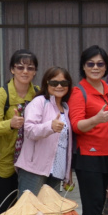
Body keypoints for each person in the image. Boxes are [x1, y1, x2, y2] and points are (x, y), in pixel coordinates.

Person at [68, 45, 108, 215]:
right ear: (83, 66)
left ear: (106, 67)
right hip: (89, 157)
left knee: (105, 206)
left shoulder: (107, 89)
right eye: (91, 63)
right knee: (93, 206)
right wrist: (96, 120)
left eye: (100, 63)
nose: (95, 67)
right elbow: (76, 125)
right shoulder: (78, 92)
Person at [0, 49, 40, 215]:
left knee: (28, 211)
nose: (25, 72)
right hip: (4, 162)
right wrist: (10, 124)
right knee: (4, 211)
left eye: (30, 68)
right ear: (12, 69)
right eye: (20, 67)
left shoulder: (38, 93)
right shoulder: (2, 94)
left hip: (31, 162)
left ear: (35, 71)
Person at [16, 66, 73, 195]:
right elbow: (29, 130)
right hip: (34, 168)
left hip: (57, 169)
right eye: (54, 83)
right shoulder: (39, 102)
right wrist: (50, 127)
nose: (59, 86)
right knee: (28, 210)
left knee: (48, 212)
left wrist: (67, 171)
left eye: (64, 83)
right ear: (46, 83)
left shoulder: (66, 107)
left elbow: (66, 143)